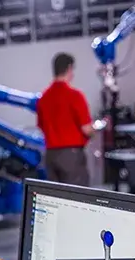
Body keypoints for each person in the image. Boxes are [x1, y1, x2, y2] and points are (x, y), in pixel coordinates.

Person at [36, 52, 96, 186]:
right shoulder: (75, 96)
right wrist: (95, 131)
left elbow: (41, 126)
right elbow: (86, 129)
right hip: (71, 156)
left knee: (57, 199)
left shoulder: (43, 98)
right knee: (77, 198)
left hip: (50, 156)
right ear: (69, 68)